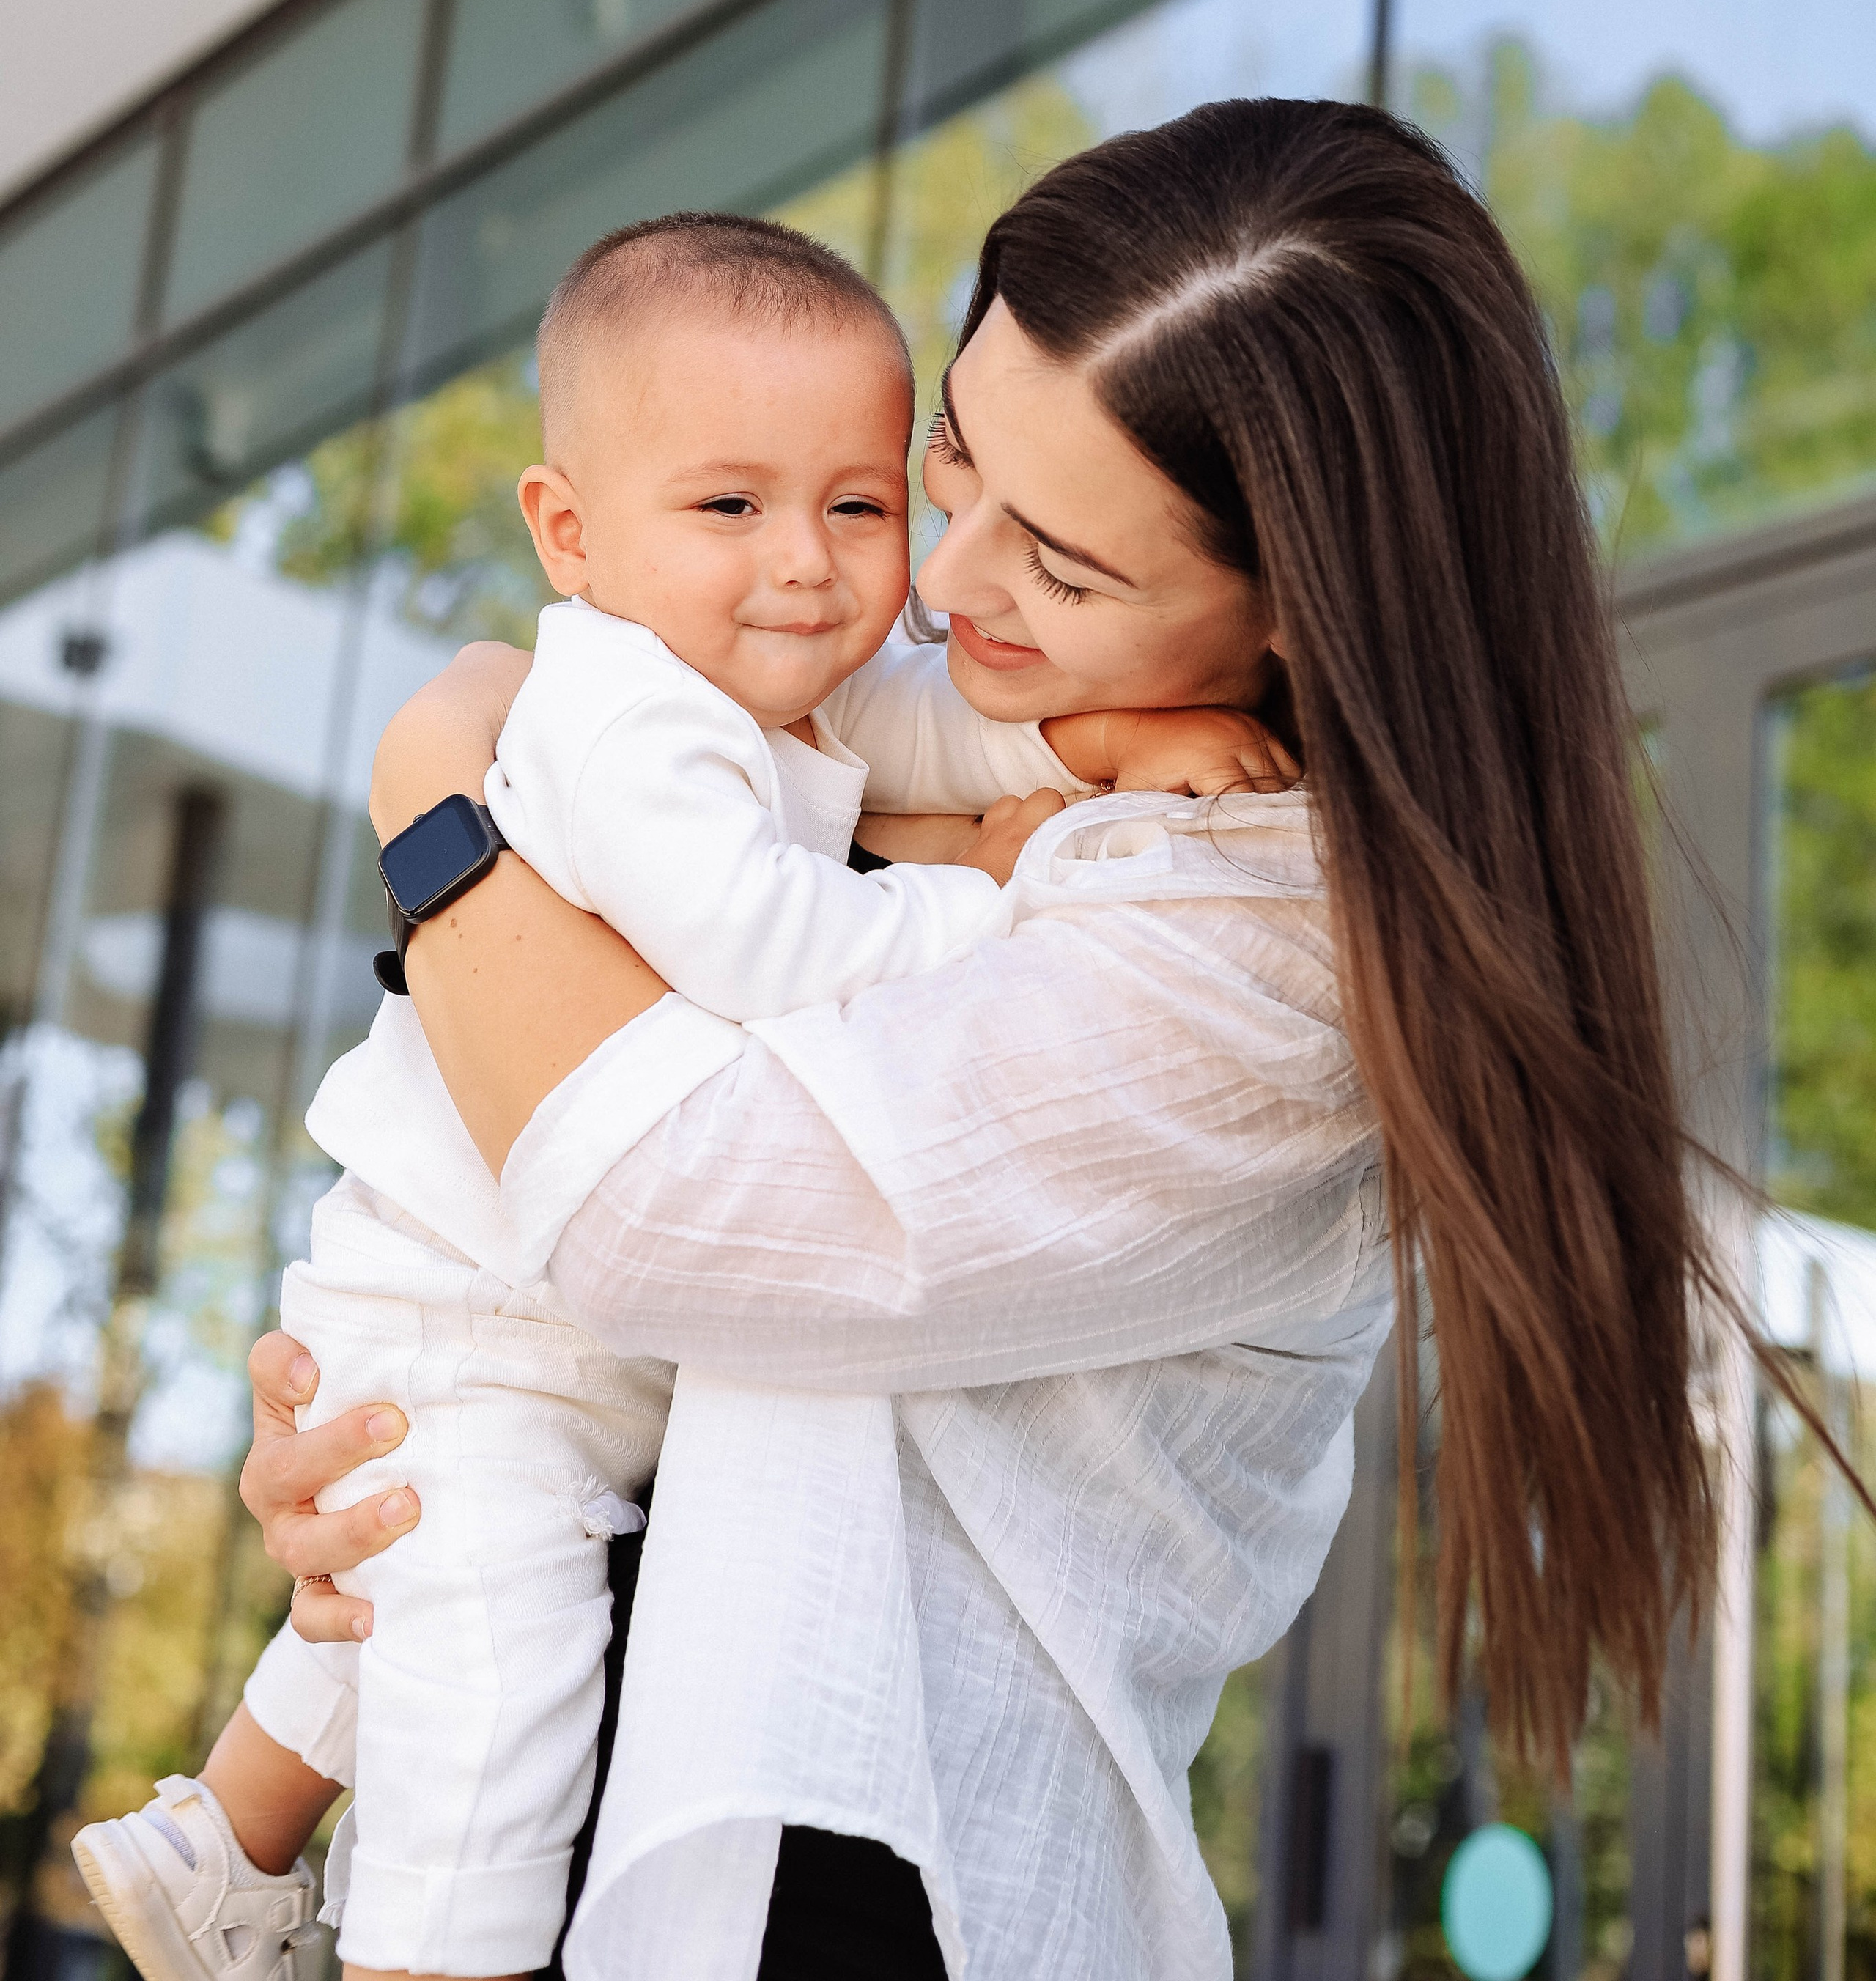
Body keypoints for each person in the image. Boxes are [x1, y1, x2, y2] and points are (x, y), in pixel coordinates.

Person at [232, 99, 1714, 1981]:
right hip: (607, 1784)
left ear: (1301, 619)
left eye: (1064, 568)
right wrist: (427, 1454)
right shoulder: (1008, 760)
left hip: (855, 1878)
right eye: (946, 466)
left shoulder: (1282, 967)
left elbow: (663, 1204)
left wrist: (438, 809)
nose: (932, 584)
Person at [74, 213, 1280, 1981]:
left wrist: (1093, 759)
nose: (866, 573)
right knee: (478, 1710)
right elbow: (762, 945)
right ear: (568, 532)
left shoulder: (799, 706)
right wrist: (990, 888)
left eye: (858, 504)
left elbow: (940, 733)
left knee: (447, 1611)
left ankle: (221, 1839)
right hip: (487, 1318)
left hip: (555, 1377)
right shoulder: (632, 720)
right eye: (734, 508)